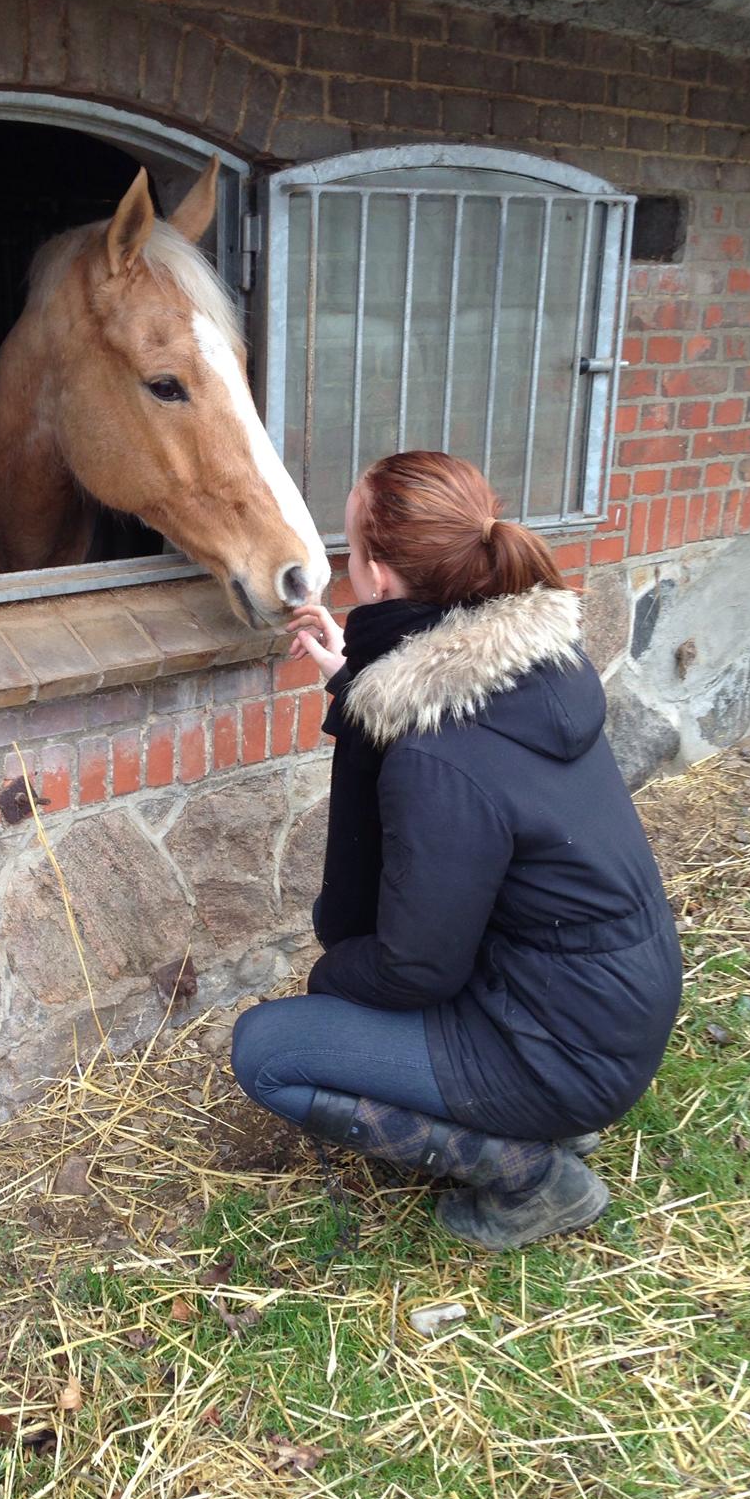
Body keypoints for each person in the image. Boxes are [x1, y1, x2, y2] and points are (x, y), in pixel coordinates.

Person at [230, 451, 683, 1251]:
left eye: (347, 547)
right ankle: (545, 1121)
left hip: (561, 1051)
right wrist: (354, 677)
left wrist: (333, 980)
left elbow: (415, 970)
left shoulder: (438, 757)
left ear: (376, 577)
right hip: (610, 1011)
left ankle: (534, 1178)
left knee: (270, 1050)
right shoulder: (534, 669)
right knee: (344, 1000)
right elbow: (431, 699)